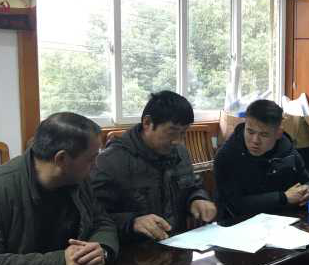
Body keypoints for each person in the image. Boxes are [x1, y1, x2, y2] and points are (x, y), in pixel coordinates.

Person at [0, 113, 118, 265]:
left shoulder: (77, 178)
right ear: (61, 159)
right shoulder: (0, 189)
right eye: (91, 159)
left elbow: (102, 221)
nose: (95, 165)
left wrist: (102, 249)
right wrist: (61, 262)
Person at [91, 91, 216, 243]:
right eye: (172, 132)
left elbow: (192, 187)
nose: (178, 141)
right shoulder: (110, 161)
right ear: (147, 123)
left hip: (177, 243)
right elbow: (94, 218)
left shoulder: (180, 152)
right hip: (136, 249)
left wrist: (197, 199)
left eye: (183, 133)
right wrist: (132, 222)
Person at [214, 99, 309, 220]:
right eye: (250, 132)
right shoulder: (226, 156)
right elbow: (235, 205)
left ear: (278, 133)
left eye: (264, 135)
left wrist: (307, 192)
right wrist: (283, 197)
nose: (255, 141)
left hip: (283, 219)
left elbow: (307, 180)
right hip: (239, 222)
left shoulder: (286, 149)